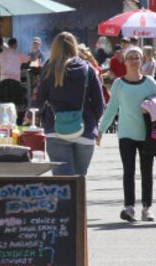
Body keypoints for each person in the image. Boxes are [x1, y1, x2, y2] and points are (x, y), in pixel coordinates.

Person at [98, 46, 156, 222]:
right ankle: (129, 207)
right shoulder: (119, 84)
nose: (134, 61)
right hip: (126, 133)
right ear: (125, 61)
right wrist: (101, 130)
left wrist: (150, 105)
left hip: (146, 134)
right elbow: (112, 108)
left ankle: (147, 207)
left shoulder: (150, 82)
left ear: (142, 60)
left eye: (137, 58)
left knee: (146, 171)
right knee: (128, 170)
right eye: (131, 58)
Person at [35, 32, 104, 176]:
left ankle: (67, 200)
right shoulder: (87, 69)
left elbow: (39, 100)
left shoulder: (49, 68)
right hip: (84, 129)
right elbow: (99, 104)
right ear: (74, 47)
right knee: (79, 180)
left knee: (64, 183)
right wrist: (93, 123)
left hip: (56, 129)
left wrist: (35, 116)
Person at [0, 37, 30, 105]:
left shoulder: (0, 55)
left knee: (4, 104)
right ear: (15, 45)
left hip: (3, 81)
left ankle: (6, 115)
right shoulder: (18, 54)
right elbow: (29, 59)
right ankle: (14, 115)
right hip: (14, 81)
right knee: (15, 104)